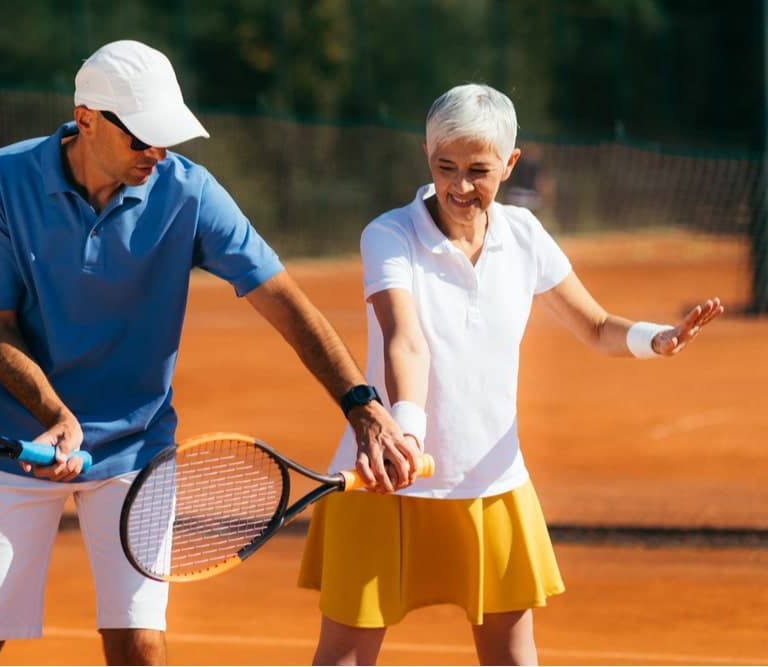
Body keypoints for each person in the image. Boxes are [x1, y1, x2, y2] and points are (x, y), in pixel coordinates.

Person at [0, 39, 415, 666]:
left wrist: (363, 405)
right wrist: (56, 414)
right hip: (19, 442)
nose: (158, 153)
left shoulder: (188, 192)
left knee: (142, 648)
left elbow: (285, 302)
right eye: (142, 139)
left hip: (139, 447)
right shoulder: (3, 180)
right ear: (86, 120)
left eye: (167, 138)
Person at [296, 83, 724, 666]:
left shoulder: (524, 235)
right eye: (445, 166)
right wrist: (406, 436)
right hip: (385, 481)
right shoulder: (389, 235)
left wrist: (658, 340)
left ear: (510, 163)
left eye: (479, 170)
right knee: (344, 656)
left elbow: (595, 325)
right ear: (427, 153)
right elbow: (406, 340)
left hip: (492, 484)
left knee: (512, 658)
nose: (460, 186)